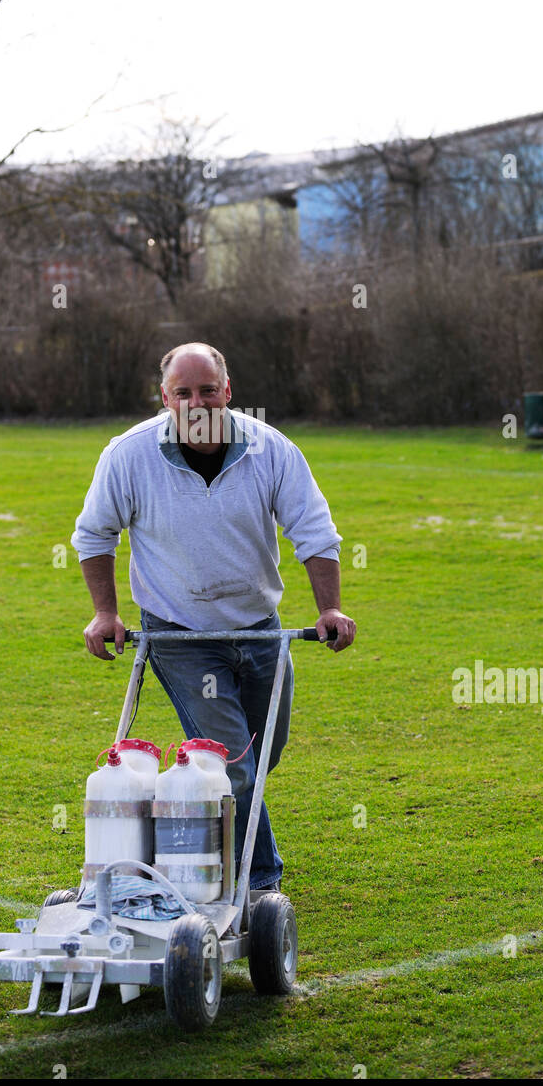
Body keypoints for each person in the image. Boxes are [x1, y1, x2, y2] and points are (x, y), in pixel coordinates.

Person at [71, 341, 356, 893]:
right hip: (180, 635)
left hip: (259, 628)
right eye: (183, 392)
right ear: (164, 397)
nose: (196, 402)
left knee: (261, 755)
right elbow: (94, 534)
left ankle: (190, 838)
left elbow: (315, 531)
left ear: (228, 392)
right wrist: (105, 612)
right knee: (232, 766)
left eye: (207, 390)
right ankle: (257, 884)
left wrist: (330, 608)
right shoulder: (128, 456)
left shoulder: (270, 451)